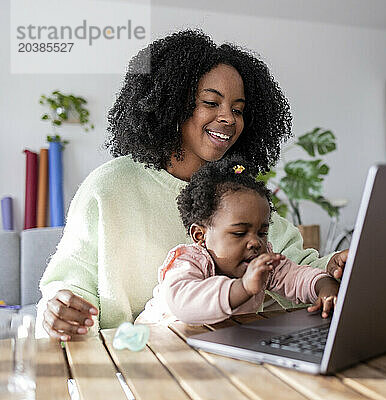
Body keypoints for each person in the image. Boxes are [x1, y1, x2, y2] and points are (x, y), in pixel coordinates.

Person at [37, 29, 348, 340]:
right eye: (211, 102)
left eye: (238, 109)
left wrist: (333, 266)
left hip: (230, 352)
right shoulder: (108, 187)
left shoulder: (236, 191)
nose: (229, 118)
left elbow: (292, 265)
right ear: (171, 104)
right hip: (133, 360)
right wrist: (61, 310)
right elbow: (70, 284)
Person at [137, 158, 339, 325]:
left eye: (262, 232)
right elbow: (182, 304)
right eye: (240, 233)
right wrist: (242, 287)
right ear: (200, 236)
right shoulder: (189, 261)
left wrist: (324, 285)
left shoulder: (261, 262)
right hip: (157, 346)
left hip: (219, 344)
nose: (255, 242)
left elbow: (296, 277)